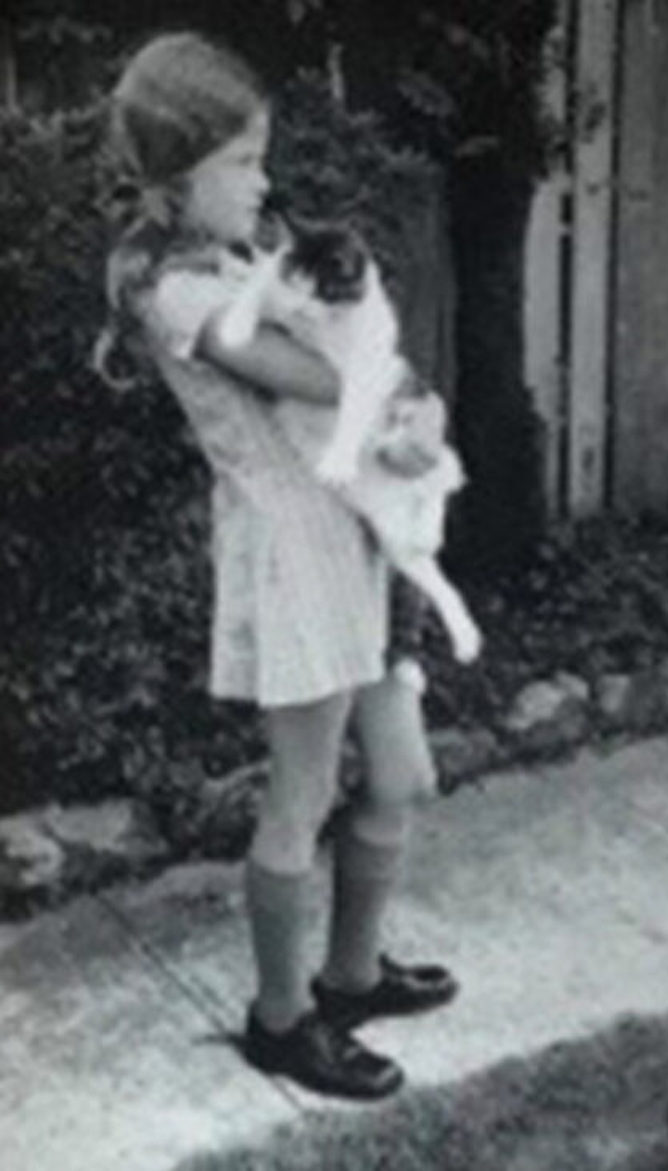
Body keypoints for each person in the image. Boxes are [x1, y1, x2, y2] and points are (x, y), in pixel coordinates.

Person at [99, 32, 458, 1100]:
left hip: (354, 532)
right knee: (300, 795)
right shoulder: (177, 294)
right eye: (244, 163)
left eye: (261, 160)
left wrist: (412, 405)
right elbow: (313, 371)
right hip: (288, 555)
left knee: (398, 776)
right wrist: (381, 378)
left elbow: (368, 369)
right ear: (175, 176)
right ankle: (280, 1017)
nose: (265, 182)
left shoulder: (247, 258)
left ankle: (349, 975)